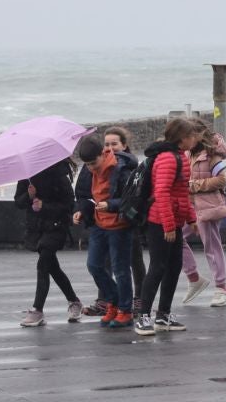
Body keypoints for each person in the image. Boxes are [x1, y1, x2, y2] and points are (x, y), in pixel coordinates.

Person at [134, 118, 199, 336]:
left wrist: (190, 218)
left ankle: (163, 314)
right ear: (182, 139)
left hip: (174, 220)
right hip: (160, 222)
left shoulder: (180, 157)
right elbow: (161, 193)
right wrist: (168, 226)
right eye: (191, 135)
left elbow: (181, 194)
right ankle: (144, 316)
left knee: (173, 266)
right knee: (158, 267)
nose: (195, 139)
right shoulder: (168, 159)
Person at [73, 135, 138, 328]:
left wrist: (110, 205)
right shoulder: (87, 170)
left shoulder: (121, 169)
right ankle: (114, 301)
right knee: (94, 266)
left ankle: (125, 311)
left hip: (119, 225)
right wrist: (80, 211)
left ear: (103, 154)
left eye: (93, 163)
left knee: (120, 269)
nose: (91, 168)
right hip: (98, 225)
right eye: (87, 164)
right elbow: (83, 196)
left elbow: (132, 198)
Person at [14, 159, 83, 327]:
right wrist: (29, 196)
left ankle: (37, 310)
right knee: (52, 267)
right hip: (37, 227)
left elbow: (68, 205)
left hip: (56, 226)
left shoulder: (59, 174)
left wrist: (44, 206)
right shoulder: (27, 175)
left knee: (43, 263)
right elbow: (18, 202)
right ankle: (74, 301)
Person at [181, 120, 226, 307]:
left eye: (188, 135)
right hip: (190, 207)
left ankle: (221, 286)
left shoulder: (212, 155)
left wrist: (193, 186)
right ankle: (194, 277)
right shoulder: (186, 153)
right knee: (175, 236)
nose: (185, 139)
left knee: (211, 245)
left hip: (208, 206)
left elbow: (221, 180)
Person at [103, 127, 146, 314]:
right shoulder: (101, 164)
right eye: (106, 144)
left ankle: (140, 298)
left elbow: (134, 194)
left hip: (127, 218)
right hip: (106, 218)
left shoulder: (130, 166)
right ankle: (105, 299)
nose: (110, 148)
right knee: (106, 261)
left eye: (115, 144)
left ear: (124, 145)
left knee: (134, 259)